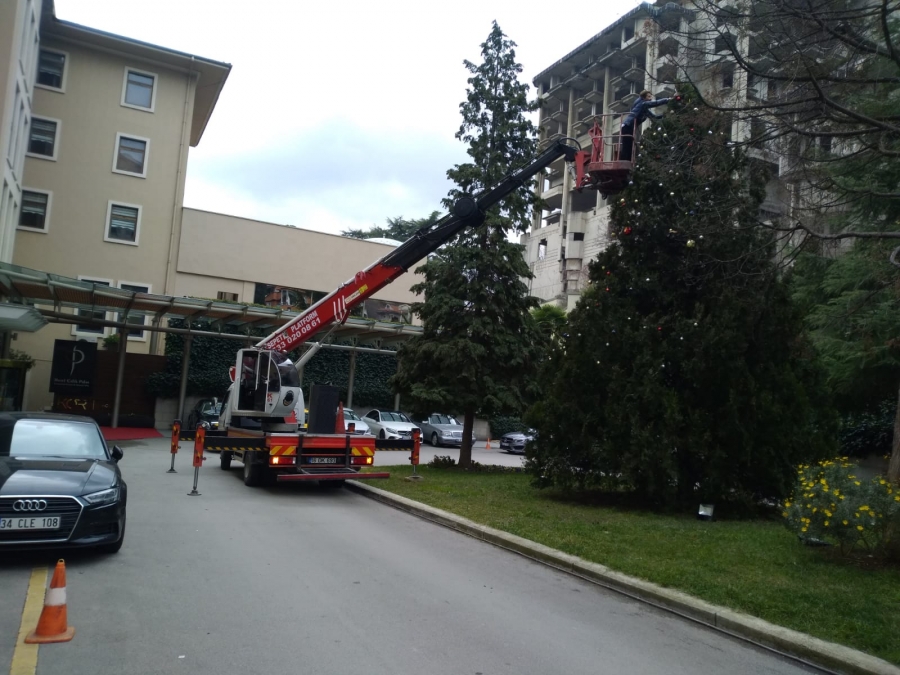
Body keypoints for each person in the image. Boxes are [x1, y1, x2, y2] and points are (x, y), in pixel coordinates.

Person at [619, 90, 674, 162]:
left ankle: (627, 161)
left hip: (629, 127)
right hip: (628, 125)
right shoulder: (642, 104)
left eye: (651, 96)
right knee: (627, 145)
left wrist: (665, 114)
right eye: (649, 96)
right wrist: (668, 100)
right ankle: (624, 161)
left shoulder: (644, 108)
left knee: (629, 145)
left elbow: (654, 117)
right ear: (643, 97)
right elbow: (656, 103)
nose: (650, 98)